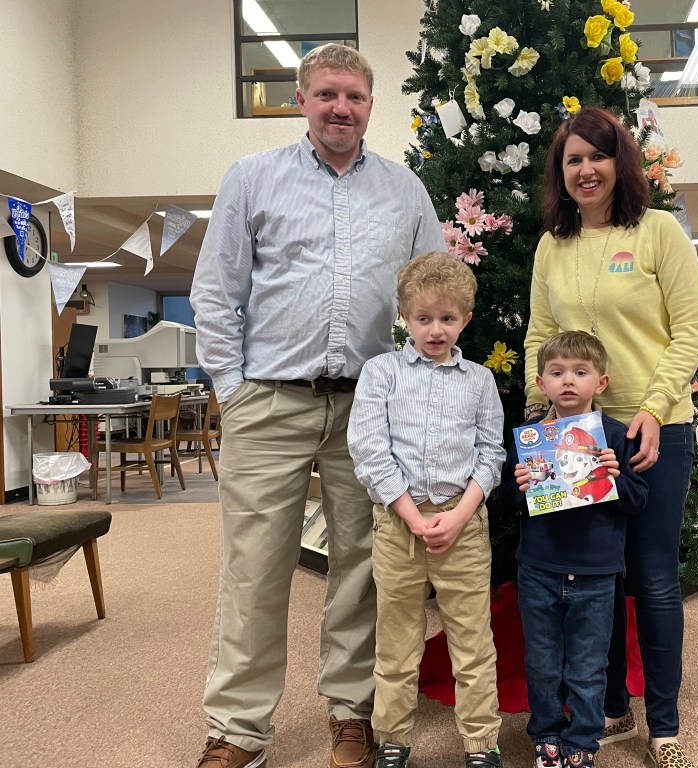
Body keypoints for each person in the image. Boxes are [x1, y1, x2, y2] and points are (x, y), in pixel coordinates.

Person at [189, 43, 446, 768]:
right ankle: (238, 728)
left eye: (354, 97)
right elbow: (216, 291)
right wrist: (232, 390)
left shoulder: (406, 191)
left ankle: (351, 713)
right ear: (301, 99)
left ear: (371, 106)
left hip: (368, 408)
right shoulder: (251, 179)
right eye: (327, 94)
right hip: (268, 401)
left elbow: (437, 291)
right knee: (254, 567)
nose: (341, 108)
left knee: (362, 567)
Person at [523, 106, 698, 768]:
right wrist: (541, 414)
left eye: (596, 156)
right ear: (561, 172)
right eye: (572, 159)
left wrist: (654, 408)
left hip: (656, 429)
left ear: (619, 163)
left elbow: (691, 328)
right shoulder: (552, 245)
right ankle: (610, 707)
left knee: (652, 577)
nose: (585, 170)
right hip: (577, 432)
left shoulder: (658, 231)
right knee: (593, 571)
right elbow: (539, 335)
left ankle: (665, 726)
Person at [347, 252, 506, 768]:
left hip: (463, 523)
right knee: (396, 641)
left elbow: (491, 454)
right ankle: (393, 736)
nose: (436, 330)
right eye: (423, 318)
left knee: (472, 641)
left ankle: (481, 742)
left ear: (466, 319)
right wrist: (413, 518)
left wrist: (458, 516)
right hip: (399, 523)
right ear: (404, 317)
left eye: (447, 318)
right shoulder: (381, 373)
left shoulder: (479, 380)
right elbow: (369, 450)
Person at [500, 331, 647, 768]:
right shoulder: (530, 439)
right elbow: (506, 502)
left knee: (587, 664)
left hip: (597, 573)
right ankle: (545, 734)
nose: (568, 381)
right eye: (557, 372)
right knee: (543, 662)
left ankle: (582, 741)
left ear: (600, 382)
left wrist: (615, 479)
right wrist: (519, 487)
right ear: (541, 383)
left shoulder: (614, 436)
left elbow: (638, 501)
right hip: (539, 568)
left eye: (580, 372)